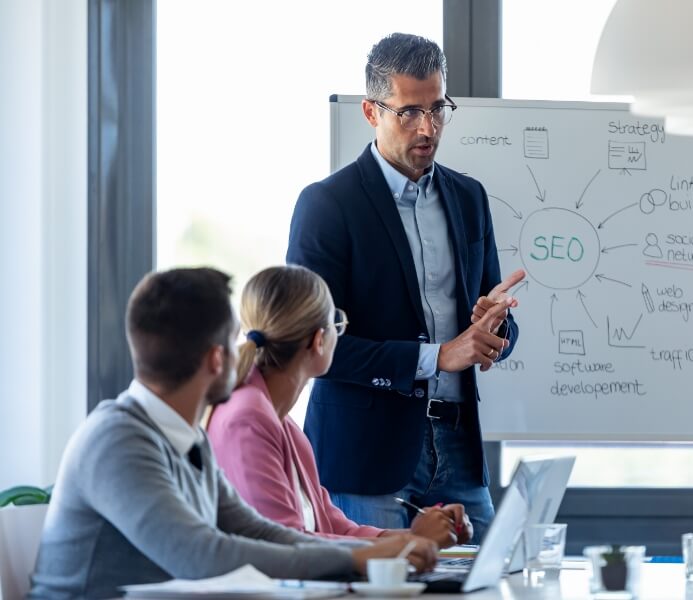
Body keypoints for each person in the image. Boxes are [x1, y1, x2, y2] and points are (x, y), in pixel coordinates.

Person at [29, 268, 436, 599]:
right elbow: (202, 555)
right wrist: (356, 560)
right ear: (215, 358)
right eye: (234, 338)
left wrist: (375, 552)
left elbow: (258, 530)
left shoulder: (187, 438)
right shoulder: (116, 440)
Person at [286, 32, 524, 542]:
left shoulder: (468, 198)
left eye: (438, 109)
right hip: (365, 452)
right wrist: (438, 356)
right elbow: (316, 347)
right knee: (381, 590)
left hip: (458, 443)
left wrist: (496, 332)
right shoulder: (328, 207)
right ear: (372, 112)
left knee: (484, 584)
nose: (428, 127)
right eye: (409, 112)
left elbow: (490, 322)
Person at [208, 265, 473, 547]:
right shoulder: (248, 418)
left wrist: (416, 538)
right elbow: (286, 547)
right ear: (319, 340)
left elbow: (336, 528)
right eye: (339, 325)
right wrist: (409, 545)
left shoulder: (281, 421)